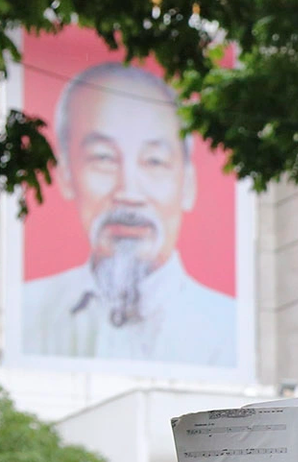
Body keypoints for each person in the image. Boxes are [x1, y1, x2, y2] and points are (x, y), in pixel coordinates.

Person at [21, 61, 238, 366]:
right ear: (67, 175)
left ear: (188, 183)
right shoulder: (26, 311)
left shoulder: (229, 329)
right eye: (103, 158)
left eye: (154, 161)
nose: (129, 193)